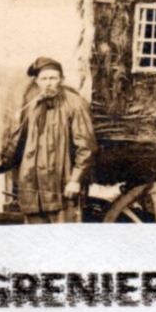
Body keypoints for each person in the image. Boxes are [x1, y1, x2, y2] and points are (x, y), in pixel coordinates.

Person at [7, 56, 96, 224]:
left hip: (61, 190)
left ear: (62, 79)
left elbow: (86, 147)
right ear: (37, 82)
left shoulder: (75, 104)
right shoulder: (32, 107)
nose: (48, 83)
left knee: (63, 243)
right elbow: (18, 143)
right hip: (33, 191)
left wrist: (75, 181)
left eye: (53, 78)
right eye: (44, 79)